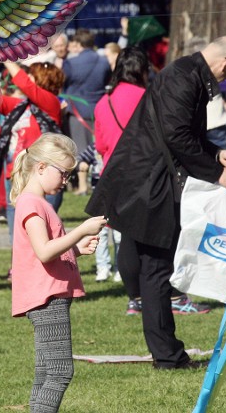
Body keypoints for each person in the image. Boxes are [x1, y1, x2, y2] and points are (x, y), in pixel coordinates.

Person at [86, 36, 226, 369]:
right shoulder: (184, 76)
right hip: (146, 182)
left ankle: (167, 352)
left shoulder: (189, 75)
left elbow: (187, 132)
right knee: (156, 270)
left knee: (153, 269)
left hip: (147, 180)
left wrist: (217, 152)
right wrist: (218, 173)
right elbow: (177, 136)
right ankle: (168, 356)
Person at [9, 132, 107, 412]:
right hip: (46, 297)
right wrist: (80, 231)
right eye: (63, 173)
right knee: (60, 371)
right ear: (41, 168)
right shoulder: (32, 204)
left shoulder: (37, 203)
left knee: (46, 372)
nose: (66, 180)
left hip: (48, 294)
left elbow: (44, 253)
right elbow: (43, 250)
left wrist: (75, 250)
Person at [0, 61, 64, 255]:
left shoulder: (51, 103)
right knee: (18, 228)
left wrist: (6, 57)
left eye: (32, 76)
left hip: (43, 179)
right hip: (16, 176)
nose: (28, 80)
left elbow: (25, 85)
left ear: (43, 80)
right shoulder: (21, 106)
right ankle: (18, 265)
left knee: (43, 231)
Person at [92, 46, 148, 290]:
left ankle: (133, 296)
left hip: (113, 176)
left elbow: (101, 145)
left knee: (125, 238)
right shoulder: (148, 97)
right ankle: (157, 291)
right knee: (148, 239)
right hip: (145, 173)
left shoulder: (103, 103)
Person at [61, 29, 111, 195]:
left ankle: (82, 185)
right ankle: (97, 179)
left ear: (80, 44)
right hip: (98, 109)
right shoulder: (104, 62)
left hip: (76, 110)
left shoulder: (70, 63)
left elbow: (63, 83)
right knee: (96, 147)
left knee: (80, 148)